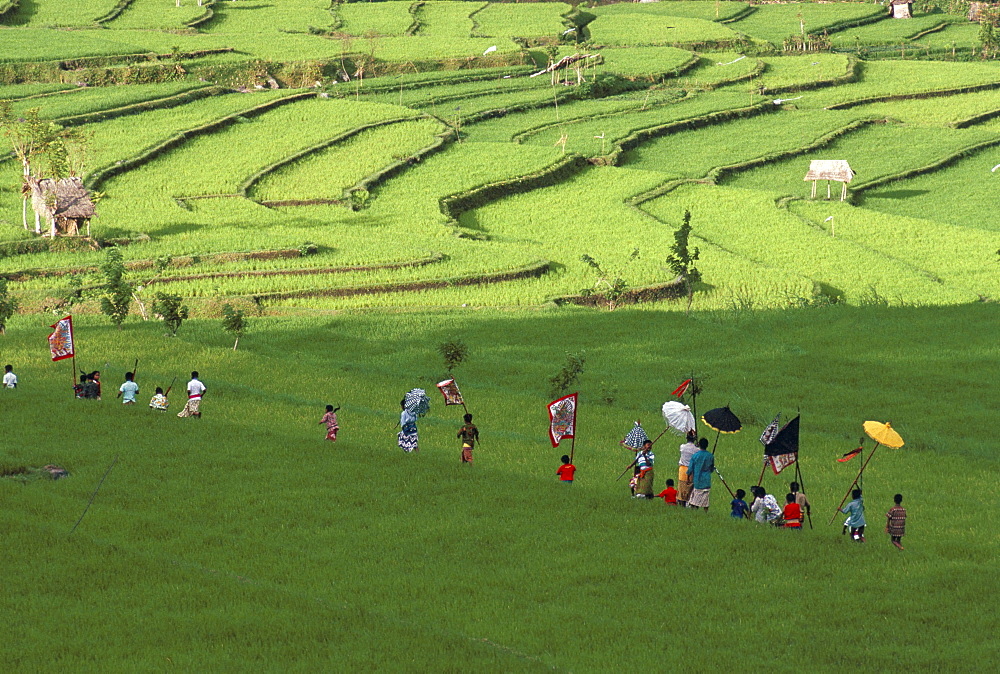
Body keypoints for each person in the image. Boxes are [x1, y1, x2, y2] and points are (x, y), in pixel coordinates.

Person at [686, 438, 714, 511]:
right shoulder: (710, 456)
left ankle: (694, 512)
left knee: (695, 499)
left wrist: (688, 477)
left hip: (697, 480)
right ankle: (705, 513)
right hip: (706, 480)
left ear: (699, 445)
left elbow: (690, 468)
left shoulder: (695, 456)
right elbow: (711, 468)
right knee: (706, 499)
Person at [677, 431, 698, 507]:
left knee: (682, 486)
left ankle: (682, 503)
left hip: (682, 470)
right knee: (690, 487)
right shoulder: (697, 449)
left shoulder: (682, 446)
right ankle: (690, 503)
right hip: (692, 470)